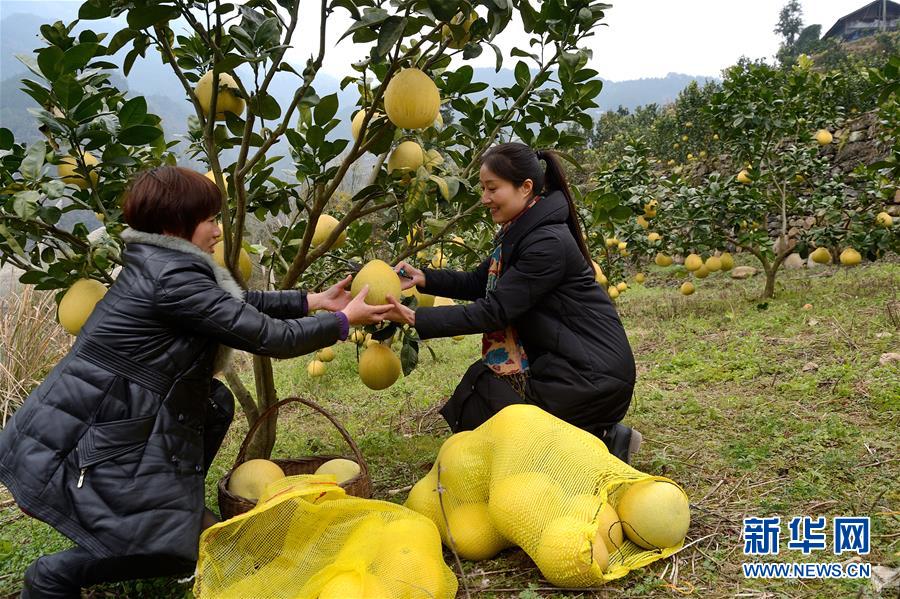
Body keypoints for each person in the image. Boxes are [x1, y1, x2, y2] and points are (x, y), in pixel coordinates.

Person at [0, 166, 392, 598]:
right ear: (174, 224)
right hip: (104, 425)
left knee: (184, 524)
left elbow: (233, 305)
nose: (218, 231)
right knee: (179, 541)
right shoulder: (172, 276)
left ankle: (167, 523)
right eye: (209, 220)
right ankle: (53, 577)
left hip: (116, 417)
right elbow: (267, 337)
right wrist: (341, 321)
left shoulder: (161, 263)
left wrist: (310, 301)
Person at [385, 143, 641, 462]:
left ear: (526, 188)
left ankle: (598, 439)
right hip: (572, 365)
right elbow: (481, 283)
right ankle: (588, 439)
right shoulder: (521, 232)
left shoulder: (546, 243)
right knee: (483, 386)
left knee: (483, 394)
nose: (484, 198)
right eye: (482, 188)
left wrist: (416, 317)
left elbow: (495, 311)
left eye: (493, 188)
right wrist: (425, 278)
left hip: (592, 378)